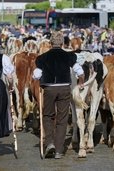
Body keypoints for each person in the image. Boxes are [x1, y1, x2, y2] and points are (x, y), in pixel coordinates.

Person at [33, 31, 84, 159]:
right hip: (64, 88)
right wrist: (81, 82)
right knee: (62, 118)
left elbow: (37, 75)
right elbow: (80, 71)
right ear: (62, 43)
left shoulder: (42, 58)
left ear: (50, 43)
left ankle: (49, 143)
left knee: (48, 115)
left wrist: (36, 78)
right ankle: (59, 150)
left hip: (49, 89)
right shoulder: (70, 56)